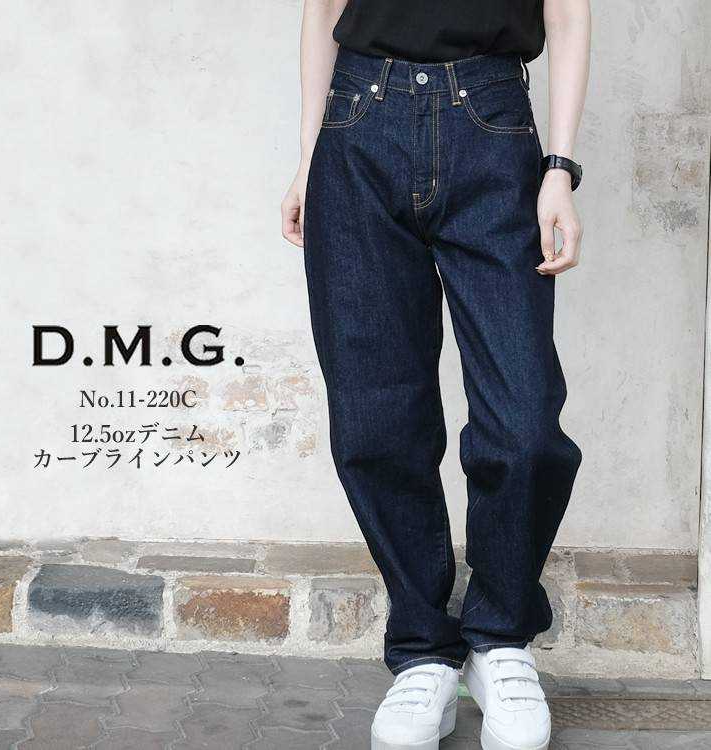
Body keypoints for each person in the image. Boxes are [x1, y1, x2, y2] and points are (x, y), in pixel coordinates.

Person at [282, 1, 590, 748]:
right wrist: (309, 160)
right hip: (358, 126)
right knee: (375, 418)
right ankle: (423, 649)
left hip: (491, 124)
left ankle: (500, 638)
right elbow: (323, 10)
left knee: (524, 423)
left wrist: (559, 170)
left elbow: (567, 12)